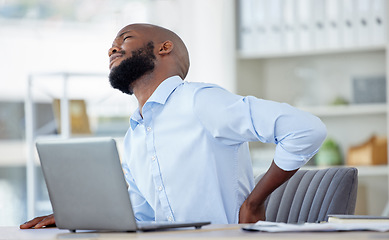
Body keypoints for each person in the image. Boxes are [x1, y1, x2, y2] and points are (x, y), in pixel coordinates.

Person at [20, 23, 326, 229]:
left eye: (124, 39)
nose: (112, 49)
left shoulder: (200, 101)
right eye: (110, 47)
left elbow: (305, 129)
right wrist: (79, 217)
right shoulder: (135, 135)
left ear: (164, 48)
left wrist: (255, 201)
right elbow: (141, 214)